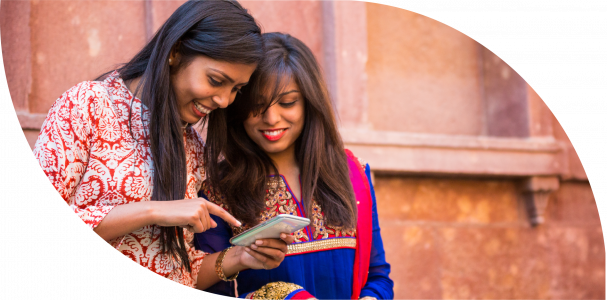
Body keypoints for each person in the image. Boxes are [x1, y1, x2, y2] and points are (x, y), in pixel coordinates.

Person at [33, 0, 293, 290]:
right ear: (175, 51)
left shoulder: (191, 144)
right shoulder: (88, 105)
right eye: (216, 80)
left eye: (235, 89)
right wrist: (154, 211)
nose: (223, 100)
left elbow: (181, 271)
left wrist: (242, 256)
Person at [195, 32, 394, 299]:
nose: (271, 118)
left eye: (288, 102)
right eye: (256, 106)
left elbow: (378, 276)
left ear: (309, 103)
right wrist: (280, 296)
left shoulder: (349, 173)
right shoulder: (219, 191)